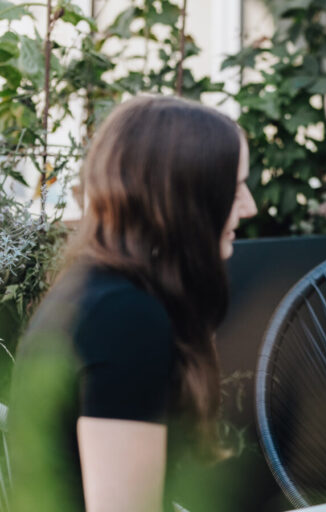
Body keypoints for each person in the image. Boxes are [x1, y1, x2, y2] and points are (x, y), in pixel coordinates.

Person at [9, 95, 257, 512]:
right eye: (234, 189)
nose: (249, 207)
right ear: (184, 199)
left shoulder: (100, 293)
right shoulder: (123, 319)